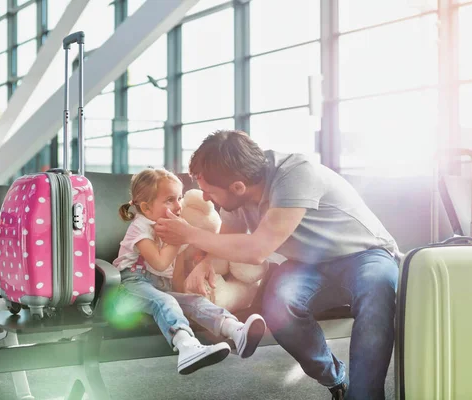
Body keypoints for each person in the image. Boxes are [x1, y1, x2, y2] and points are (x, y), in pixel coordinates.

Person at [154, 131, 399, 399]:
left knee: (378, 292)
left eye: (209, 192)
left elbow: (258, 249)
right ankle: (335, 377)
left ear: (238, 187)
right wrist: (206, 263)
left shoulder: (296, 174)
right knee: (279, 306)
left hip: (365, 254)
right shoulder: (236, 193)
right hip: (309, 263)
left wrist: (188, 233)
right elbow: (227, 237)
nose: (205, 198)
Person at [113, 167, 266, 375]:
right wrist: (179, 239)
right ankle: (186, 347)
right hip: (129, 287)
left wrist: (185, 299)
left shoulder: (170, 228)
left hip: (160, 288)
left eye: (179, 198)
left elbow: (174, 275)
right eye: (169, 200)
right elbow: (159, 263)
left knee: (194, 301)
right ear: (147, 208)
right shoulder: (140, 227)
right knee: (166, 302)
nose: (178, 206)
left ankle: (235, 331)